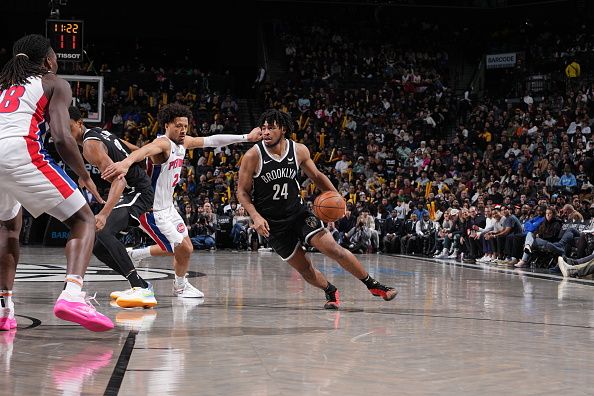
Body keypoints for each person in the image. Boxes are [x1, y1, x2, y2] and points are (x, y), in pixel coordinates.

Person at [0, 34, 112, 332]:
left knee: (8, 226)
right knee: (83, 218)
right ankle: (73, 295)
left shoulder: (3, 87)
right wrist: (84, 175)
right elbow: (62, 137)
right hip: (19, 150)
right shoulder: (53, 82)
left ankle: (3, 309)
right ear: (49, 59)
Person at [236, 109, 397, 310]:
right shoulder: (253, 155)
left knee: (334, 249)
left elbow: (317, 177)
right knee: (305, 269)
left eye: (271, 128)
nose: (266, 132)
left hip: (298, 214)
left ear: (283, 129)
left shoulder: (299, 150)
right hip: (272, 223)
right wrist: (256, 217)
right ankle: (330, 290)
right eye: (264, 128)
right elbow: (242, 192)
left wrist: (338, 198)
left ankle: (374, 285)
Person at [102, 103, 261, 298]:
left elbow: (211, 140)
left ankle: (152, 265)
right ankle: (173, 283)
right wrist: (126, 163)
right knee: (178, 248)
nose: (183, 130)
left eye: (185, 126)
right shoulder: (163, 144)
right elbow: (143, 151)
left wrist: (246, 137)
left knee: (187, 248)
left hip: (168, 207)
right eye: (178, 125)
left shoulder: (183, 143)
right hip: (152, 209)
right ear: (167, 125)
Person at [68, 106, 157, 308]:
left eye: (69, 128)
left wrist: (104, 214)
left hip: (138, 192)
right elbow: (133, 150)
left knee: (103, 230)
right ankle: (141, 284)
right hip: (134, 189)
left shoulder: (90, 146)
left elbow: (120, 181)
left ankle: (140, 288)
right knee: (97, 245)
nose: (66, 133)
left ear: (79, 123)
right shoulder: (99, 131)